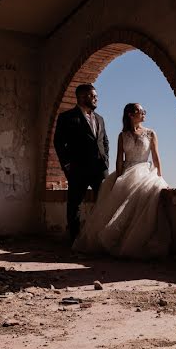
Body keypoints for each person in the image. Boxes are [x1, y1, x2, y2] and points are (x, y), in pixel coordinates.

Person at [73, 103, 171, 257]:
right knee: (116, 206)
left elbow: (156, 157)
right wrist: (118, 178)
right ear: (131, 115)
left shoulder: (151, 133)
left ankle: (132, 241)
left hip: (143, 171)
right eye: (141, 111)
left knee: (140, 202)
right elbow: (119, 159)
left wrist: (160, 175)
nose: (144, 113)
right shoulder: (122, 135)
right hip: (126, 172)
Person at [53, 83, 109, 242]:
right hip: (78, 169)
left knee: (105, 202)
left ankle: (102, 237)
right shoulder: (67, 117)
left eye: (96, 96)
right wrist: (67, 165)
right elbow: (58, 143)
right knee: (74, 205)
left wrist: (106, 160)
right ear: (82, 97)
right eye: (93, 96)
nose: (96, 99)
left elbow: (104, 141)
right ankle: (75, 239)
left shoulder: (100, 119)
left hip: (100, 169)